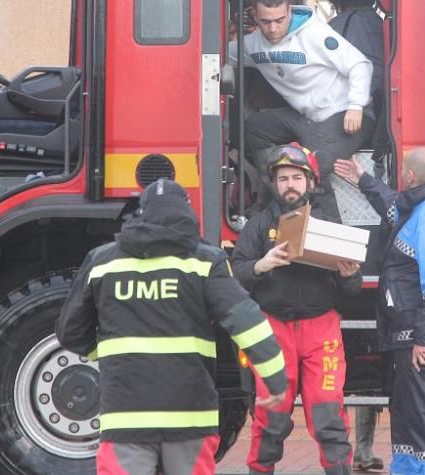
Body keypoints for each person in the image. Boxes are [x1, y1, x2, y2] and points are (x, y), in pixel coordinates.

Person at [56, 179, 287, 475]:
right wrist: (276, 379)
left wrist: (112, 353)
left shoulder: (102, 262)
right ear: (188, 214)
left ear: (141, 214)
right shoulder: (206, 261)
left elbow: (70, 332)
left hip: (126, 416)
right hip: (190, 416)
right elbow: (247, 321)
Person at [231, 143, 362, 475]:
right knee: (270, 416)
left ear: (311, 183)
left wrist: (350, 276)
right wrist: (261, 264)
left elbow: (351, 292)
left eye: (296, 178)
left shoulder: (330, 224)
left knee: (328, 413)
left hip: (322, 328)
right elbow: (236, 274)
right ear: (274, 184)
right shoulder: (258, 225)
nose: (289, 184)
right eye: (283, 178)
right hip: (273, 329)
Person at [335, 148, 425, 475]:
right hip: (407, 337)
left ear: (410, 176)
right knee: (407, 423)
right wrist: (363, 179)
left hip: (420, 341)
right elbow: (390, 202)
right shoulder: (415, 208)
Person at [230, 0, 374, 214]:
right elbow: (216, 57)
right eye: (266, 22)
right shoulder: (253, 44)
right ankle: (276, 199)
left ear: (289, 12)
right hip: (305, 117)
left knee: (313, 167)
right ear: (255, 16)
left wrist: (356, 105)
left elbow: (360, 64)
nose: (273, 29)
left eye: (279, 20)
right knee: (252, 129)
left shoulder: (315, 34)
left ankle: (328, 235)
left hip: (346, 114)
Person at [328, 0, 386, 105]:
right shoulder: (377, 20)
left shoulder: (342, 22)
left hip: (357, 96)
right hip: (382, 91)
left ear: (340, 0)